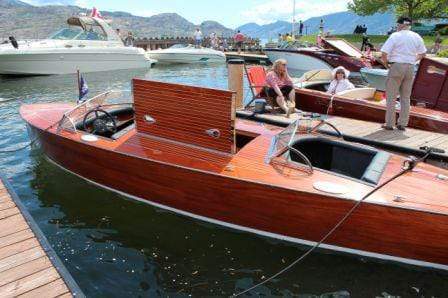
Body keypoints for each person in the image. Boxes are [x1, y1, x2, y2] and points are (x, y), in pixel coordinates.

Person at [381, 16, 426, 131]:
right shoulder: (416, 36)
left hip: (397, 66)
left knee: (391, 97)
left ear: (401, 24)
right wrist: (411, 60)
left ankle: (389, 124)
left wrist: (387, 64)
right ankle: (402, 124)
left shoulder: (395, 35)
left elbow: (384, 53)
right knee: (405, 97)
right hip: (410, 67)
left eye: (397, 25)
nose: (397, 26)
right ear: (409, 25)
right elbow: (422, 53)